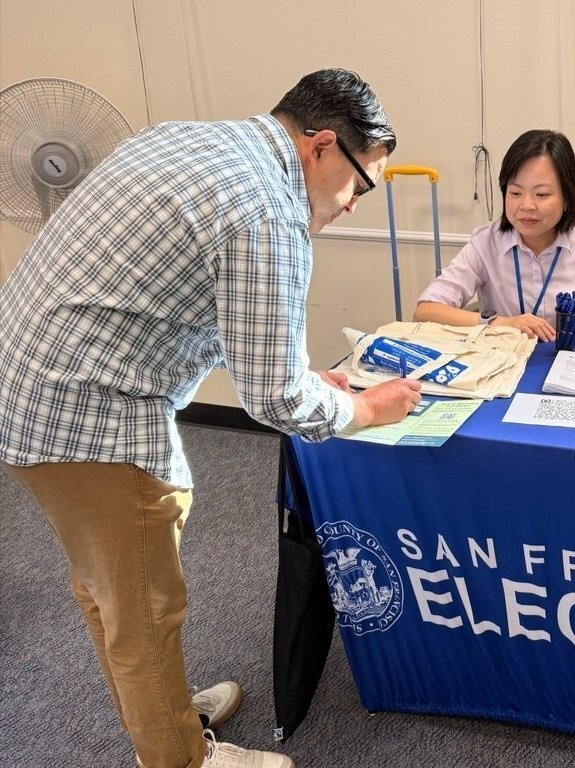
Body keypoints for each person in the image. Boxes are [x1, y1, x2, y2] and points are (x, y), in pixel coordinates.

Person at [0, 69, 421, 768]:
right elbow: (277, 404)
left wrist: (297, 374)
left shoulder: (196, 141)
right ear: (320, 147)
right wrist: (365, 408)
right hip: (86, 416)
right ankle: (180, 757)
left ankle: (163, 713)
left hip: (27, 383)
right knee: (142, 606)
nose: (353, 206)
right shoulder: (267, 210)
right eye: (361, 184)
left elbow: (175, 293)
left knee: (109, 589)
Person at [413, 129, 575, 342]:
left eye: (542, 194)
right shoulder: (485, 244)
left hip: (566, 365)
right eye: (515, 193)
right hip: (502, 364)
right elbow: (425, 311)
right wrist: (499, 322)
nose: (527, 205)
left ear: (567, 197)